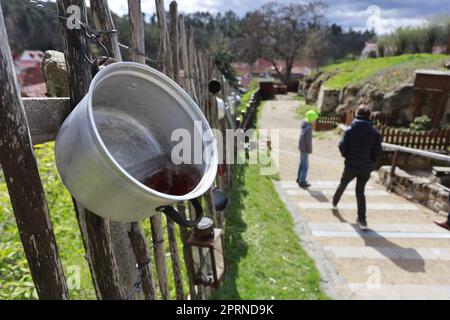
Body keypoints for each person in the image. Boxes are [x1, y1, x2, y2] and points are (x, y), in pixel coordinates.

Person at [332, 105, 382, 230]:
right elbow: (377, 152)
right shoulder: (375, 133)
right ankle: (362, 220)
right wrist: (371, 162)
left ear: (356, 114)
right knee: (360, 192)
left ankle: (334, 202)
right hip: (366, 167)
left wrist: (346, 155)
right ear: (369, 116)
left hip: (351, 164)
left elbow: (341, 146)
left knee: (343, 184)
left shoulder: (349, 130)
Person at [297, 110, 319, 188]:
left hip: (301, 147)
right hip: (305, 148)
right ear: (311, 119)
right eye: (314, 119)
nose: (315, 121)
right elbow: (308, 141)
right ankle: (302, 181)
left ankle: (299, 178)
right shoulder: (309, 128)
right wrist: (310, 150)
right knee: (305, 166)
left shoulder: (304, 124)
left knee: (302, 163)